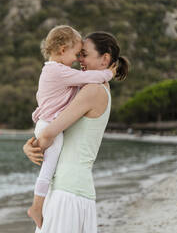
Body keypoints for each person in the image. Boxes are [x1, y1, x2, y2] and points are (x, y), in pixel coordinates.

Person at [24, 31, 129, 233]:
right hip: (69, 188)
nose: (79, 59)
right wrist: (31, 146)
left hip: (68, 192)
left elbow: (48, 133)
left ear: (105, 59)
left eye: (84, 54)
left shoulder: (93, 90)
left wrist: (31, 147)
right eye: (78, 54)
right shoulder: (90, 89)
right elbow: (54, 127)